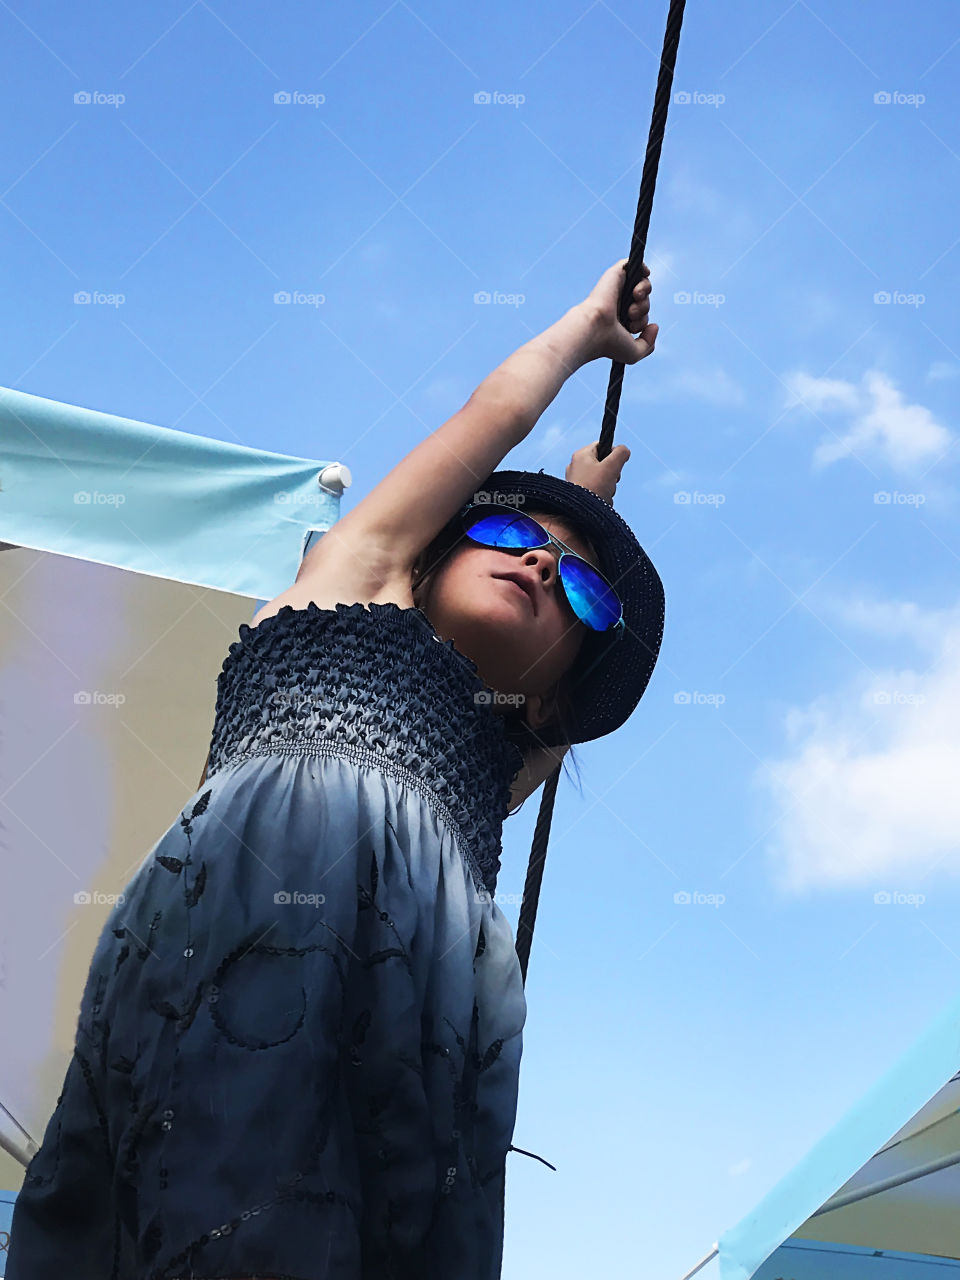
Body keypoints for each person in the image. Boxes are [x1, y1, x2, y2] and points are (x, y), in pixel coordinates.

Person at [5, 258, 664, 1280]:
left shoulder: (504, 761)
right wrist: (582, 331)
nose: (540, 561)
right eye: (506, 529)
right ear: (428, 553)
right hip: (253, 923)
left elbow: (564, 705)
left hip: (433, 1000)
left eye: (578, 585)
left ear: (550, 703)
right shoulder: (357, 575)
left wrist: (590, 510)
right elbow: (491, 412)